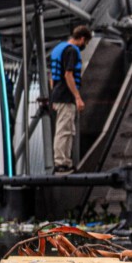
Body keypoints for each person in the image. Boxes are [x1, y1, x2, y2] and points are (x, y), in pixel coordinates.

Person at [48, 25, 93, 173]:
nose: (84, 46)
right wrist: (78, 97)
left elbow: (52, 76)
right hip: (65, 97)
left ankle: (65, 162)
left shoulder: (58, 49)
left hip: (58, 95)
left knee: (68, 130)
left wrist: (53, 94)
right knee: (63, 130)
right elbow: (68, 75)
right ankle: (61, 162)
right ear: (82, 39)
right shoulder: (72, 51)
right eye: (85, 43)